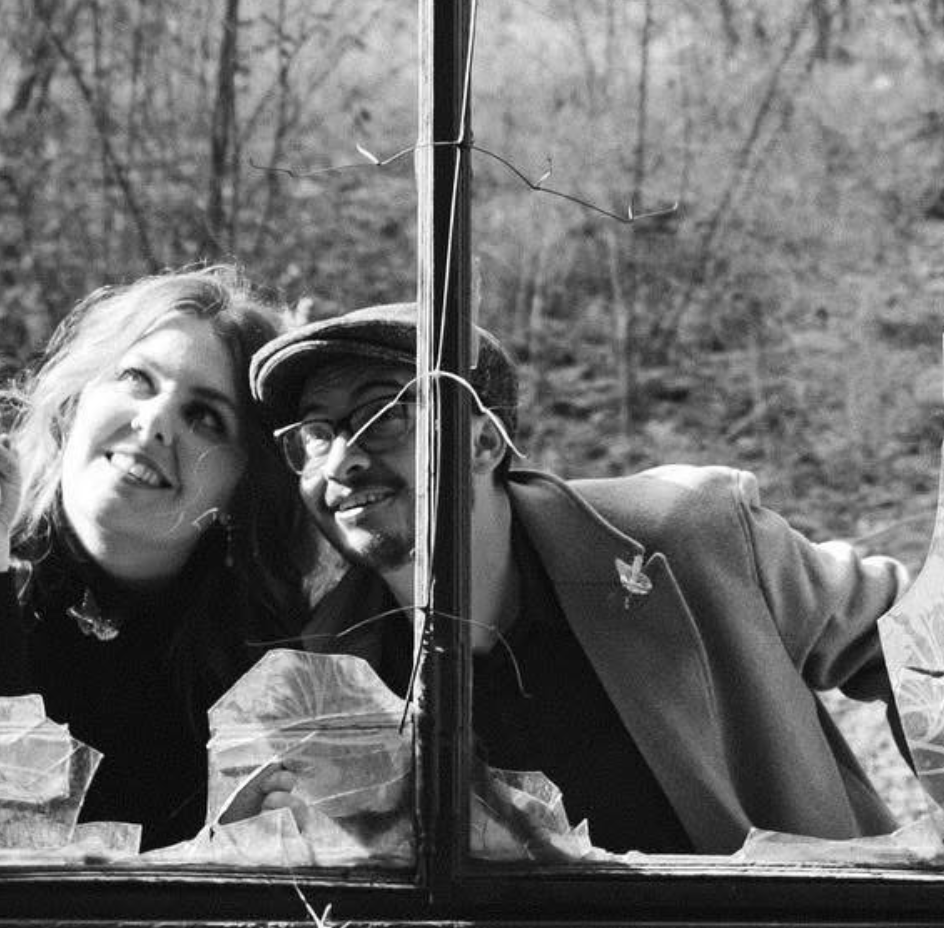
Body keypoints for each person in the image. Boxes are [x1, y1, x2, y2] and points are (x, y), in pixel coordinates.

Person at [248, 302, 910, 856]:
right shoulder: (330, 677)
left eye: (382, 414)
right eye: (314, 433)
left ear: (484, 442)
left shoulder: (687, 535)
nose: (342, 459)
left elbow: (925, 640)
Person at [0, 265, 310, 849]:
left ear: (245, 487)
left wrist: (243, 844)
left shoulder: (256, 646)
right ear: (73, 402)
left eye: (205, 417)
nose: (158, 420)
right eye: (138, 378)